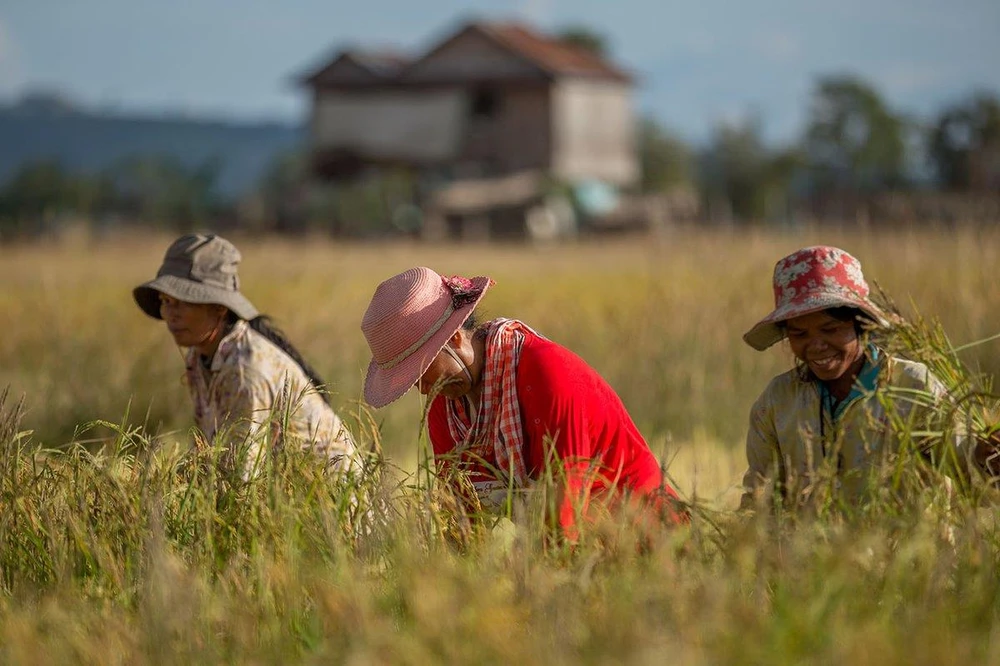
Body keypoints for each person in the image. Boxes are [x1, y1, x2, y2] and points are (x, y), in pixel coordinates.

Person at [359, 266, 686, 535]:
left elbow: (564, 516)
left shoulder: (546, 372)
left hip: (650, 542)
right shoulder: (447, 405)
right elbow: (459, 517)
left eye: (423, 372)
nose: (423, 390)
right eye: (414, 381)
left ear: (455, 338)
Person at [740, 245, 992, 511]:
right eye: (800, 335)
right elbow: (759, 503)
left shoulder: (913, 387)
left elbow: (977, 482)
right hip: (811, 553)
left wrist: (988, 461)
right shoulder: (778, 401)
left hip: (909, 551)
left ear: (861, 324)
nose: (815, 345)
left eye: (830, 329)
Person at [133, 233, 359, 479]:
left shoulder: (246, 369)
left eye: (182, 303)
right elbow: (212, 453)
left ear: (219, 307)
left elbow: (241, 478)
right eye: (166, 301)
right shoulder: (199, 359)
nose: (170, 314)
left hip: (329, 498)